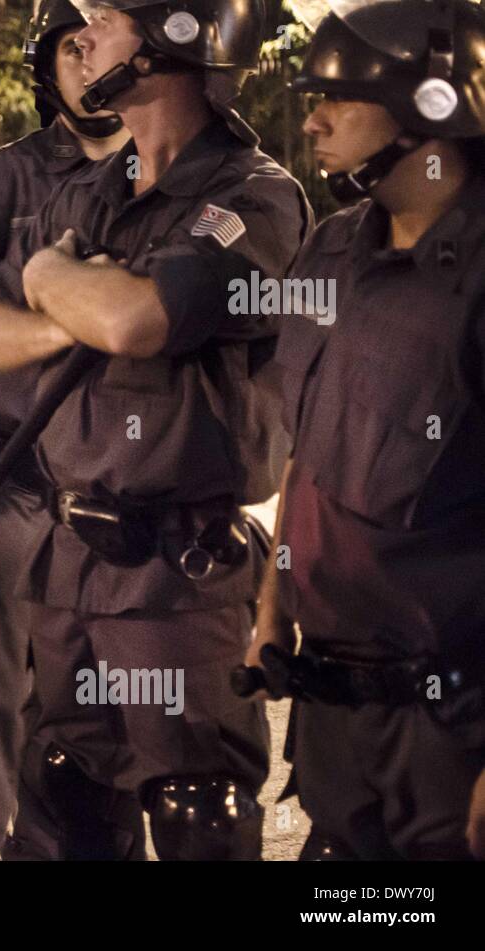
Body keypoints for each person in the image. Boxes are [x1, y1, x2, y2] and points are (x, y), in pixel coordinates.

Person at [0, 0, 310, 859]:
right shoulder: (89, 189)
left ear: (172, 42)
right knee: (61, 792)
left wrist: (58, 282)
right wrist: (64, 299)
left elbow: (142, 321)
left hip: (177, 578)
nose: (82, 37)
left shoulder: (251, 198)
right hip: (67, 558)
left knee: (198, 809)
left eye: (107, 18)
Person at [245, 0, 485, 861]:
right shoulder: (331, 250)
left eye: (340, 98)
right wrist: (274, 607)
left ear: (431, 107)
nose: (312, 118)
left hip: (452, 733)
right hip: (332, 708)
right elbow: (308, 454)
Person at [0, 0, 130, 861]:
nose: (90, 63)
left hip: (119, 492)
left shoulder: (173, 183)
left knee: (98, 718)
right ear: (45, 65)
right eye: (71, 48)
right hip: (12, 480)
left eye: (101, 46)